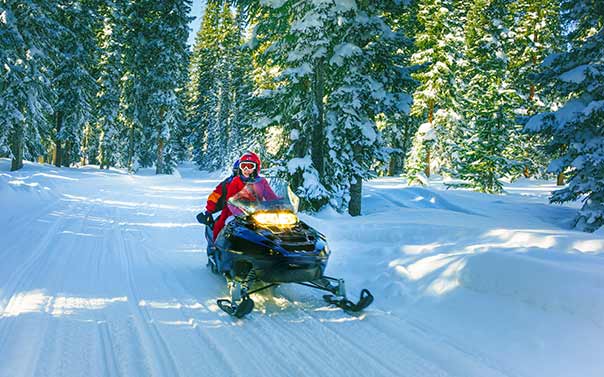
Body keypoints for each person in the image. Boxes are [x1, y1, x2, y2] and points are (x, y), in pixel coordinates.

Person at [212, 151, 277, 241]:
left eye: (250, 166)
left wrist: (280, 203)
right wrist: (240, 213)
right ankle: (216, 246)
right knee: (221, 223)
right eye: (243, 166)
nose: (246, 169)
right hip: (235, 212)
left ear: (256, 168)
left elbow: (271, 197)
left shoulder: (262, 182)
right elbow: (230, 199)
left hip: (257, 212)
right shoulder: (236, 181)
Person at [197, 160, 239, 226]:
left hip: (253, 214)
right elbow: (215, 196)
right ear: (235, 171)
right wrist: (209, 211)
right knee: (221, 226)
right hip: (231, 214)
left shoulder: (256, 183)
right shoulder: (227, 183)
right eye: (239, 171)